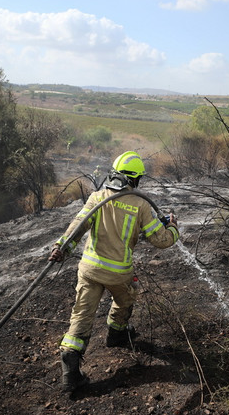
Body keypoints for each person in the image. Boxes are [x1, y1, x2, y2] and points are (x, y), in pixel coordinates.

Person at [49, 151, 180, 392]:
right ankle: (117, 333)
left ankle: (70, 365)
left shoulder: (97, 197)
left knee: (81, 315)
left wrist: (61, 248)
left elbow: (77, 227)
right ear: (134, 180)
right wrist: (172, 228)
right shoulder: (140, 204)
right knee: (126, 297)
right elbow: (160, 240)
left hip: (89, 270)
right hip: (119, 274)